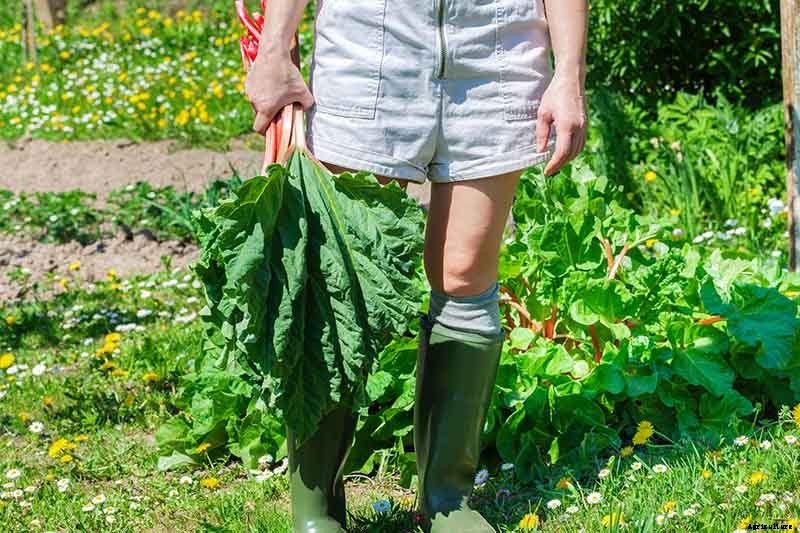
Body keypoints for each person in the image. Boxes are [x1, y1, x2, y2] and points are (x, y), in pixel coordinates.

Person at [245, 1, 588, 531]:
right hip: (370, 44)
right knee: (336, 271)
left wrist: (568, 74)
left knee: (466, 273)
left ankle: (446, 499)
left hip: (498, 49)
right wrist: (274, 49)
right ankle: (315, 508)